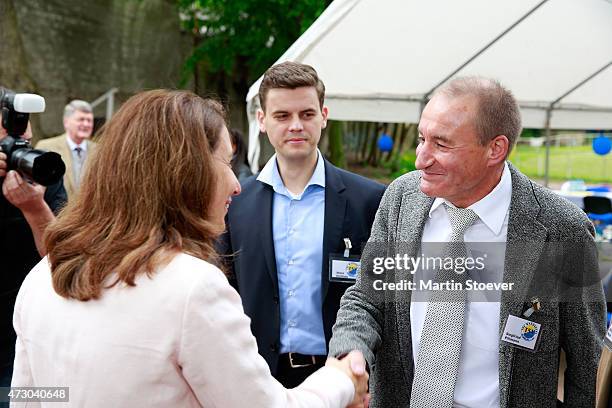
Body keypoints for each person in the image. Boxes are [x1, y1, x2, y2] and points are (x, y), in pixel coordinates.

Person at [11, 89, 369, 407]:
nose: (236, 184)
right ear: (185, 172)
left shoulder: (42, 276)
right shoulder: (193, 288)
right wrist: (339, 380)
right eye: (226, 164)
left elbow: (28, 396)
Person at [328, 77, 606, 407]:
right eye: (421, 139)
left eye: (441, 145)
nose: (421, 159)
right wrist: (350, 353)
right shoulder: (402, 199)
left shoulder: (561, 229)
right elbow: (367, 296)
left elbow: (585, 358)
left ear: (495, 149)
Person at [221, 61, 385, 388]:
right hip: (257, 377)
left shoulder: (371, 201)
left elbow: (383, 295)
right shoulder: (233, 203)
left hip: (340, 374)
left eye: (307, 114)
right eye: (282, 116)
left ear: (324, 115)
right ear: (262, 121)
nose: (296, 125)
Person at [0, 115, 66, 392]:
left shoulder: (42, 174)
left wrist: (34, 208)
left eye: (24, 140)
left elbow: (63, 259)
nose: (20, 149)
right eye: (9, 143)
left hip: (26, 335)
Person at [36, 99, 95, 199]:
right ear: (66, 122)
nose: (86, 124)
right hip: (56, 212)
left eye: (89, 120)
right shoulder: (46, 147)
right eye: (81, 119)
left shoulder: (100, 150)